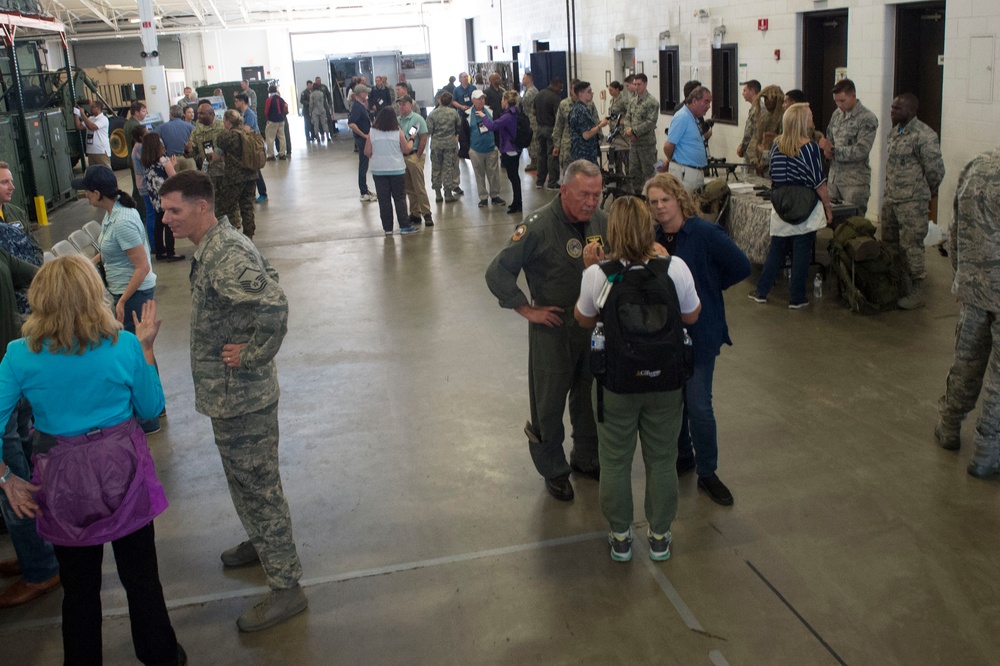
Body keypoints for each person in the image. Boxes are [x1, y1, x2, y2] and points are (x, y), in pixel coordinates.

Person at [0, 255, 185, 663]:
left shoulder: (18, 355)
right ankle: (161, 655)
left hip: (60, 476)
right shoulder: (124, 345)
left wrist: (6, 477)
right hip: (123, 469)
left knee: (79, 588)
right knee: (141, 578)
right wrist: (148, 350)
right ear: (93, 294)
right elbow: (151, 409)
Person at [159, 170, 307, 632]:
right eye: (164, 210)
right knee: (242, 482)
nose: (166, 219)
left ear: (202, 206)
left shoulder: (225, 252)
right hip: (227, 397)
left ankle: (287, 588)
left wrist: (253, 353)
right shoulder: (214, 247)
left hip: (244, 397)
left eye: (174, 210)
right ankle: (260, 543)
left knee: (260, 489)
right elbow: (269, 275)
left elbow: (275, 304)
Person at [574, 196, 701, 562]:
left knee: (614, 460)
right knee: (662, 460)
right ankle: (660, 536)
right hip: (666, 381)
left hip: (617, 382)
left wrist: (589, 268)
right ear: (649, 227)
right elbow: (692, 316)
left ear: (611, 230)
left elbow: (583, 319)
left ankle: (620, 536)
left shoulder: (599, 274)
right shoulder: (674, 268)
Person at [484, 160, 607, 501]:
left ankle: (586, 457)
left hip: (592, 325)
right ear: (564, 189)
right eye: (584, 194)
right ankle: (553, 468)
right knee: (548, 403)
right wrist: (526, 309)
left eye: (597, 195)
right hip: (553, 328)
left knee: (589, 397)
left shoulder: (601, 220)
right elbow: (498, 272)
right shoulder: (537, 227)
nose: (591, 202)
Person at [645, 173, 751, 505]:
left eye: (666, 199)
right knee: (674, 402)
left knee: (698, 405)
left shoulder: (705, 233)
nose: (661, 207)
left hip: (700, 333)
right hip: (666, 337)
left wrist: (709, 287)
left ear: (679, 198)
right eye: (653, 202)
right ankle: (683, 455)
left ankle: (708, 472)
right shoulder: (653, 237)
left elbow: (741, 266)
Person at [0, 203, 57, 609]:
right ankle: (33, 553)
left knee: (9, 480)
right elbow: (35, 276)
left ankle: (39, 566)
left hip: (5, 377)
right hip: (10, 371)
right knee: (18, 454)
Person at [77, 164, 161, 434]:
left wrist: (122, 301)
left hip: (133, 293)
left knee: (137, 351)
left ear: (97, 193)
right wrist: (88, 263)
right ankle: (155, 407)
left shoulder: (122, 221)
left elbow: (142, 266)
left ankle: (149, 419)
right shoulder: (115, 213)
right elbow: (110, 248)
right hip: (125, 290)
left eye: (87, 192)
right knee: (141, 349)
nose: (85, 196)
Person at [936, 146, 1000, 478]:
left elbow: (954, 228)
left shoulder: (977, 166)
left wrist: (960, 276)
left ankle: (948, 425)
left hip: (975, 286)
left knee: (967, 359)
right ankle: (988, 452)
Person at [749, 103, 833, 309]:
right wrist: (828, 207)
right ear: (803, 121)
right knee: (802, 251)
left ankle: (761, 291)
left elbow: (773, 174)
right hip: (804, 202)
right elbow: (818, 181)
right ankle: (797, 297)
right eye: (810, 116)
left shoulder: (777, 145)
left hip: (781, 202)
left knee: (777, 249)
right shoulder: (810, 148)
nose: (813, 119)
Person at [881, 93, 945, 310]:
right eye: (892, 107)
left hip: (912, 202)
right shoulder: (895, 132)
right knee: (890, 244)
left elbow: (936, 171)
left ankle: (917, 290)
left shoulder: (924, 135)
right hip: (891, 198)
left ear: (910, 110)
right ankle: (899, 285)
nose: (892, 111)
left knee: (911, 246)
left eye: (897, 108)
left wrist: (927, 192)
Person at [819, 78, 878, 216]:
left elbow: (861, 151)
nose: (839, 105)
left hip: (854, 182)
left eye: (843, 101)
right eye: (836, 101)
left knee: (853, 225)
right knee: (832, 221)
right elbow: (829, 138)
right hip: (834, 180)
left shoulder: (867, 118)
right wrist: (827, 152)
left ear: (853, 95)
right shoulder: (837, 115)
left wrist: (832, 150)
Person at [366, 108, 420, 236]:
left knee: (384, 200)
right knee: (400, 198)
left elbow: (367, 152)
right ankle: (404, 226)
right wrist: (412, 139)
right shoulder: (397, 131)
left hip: (379, 171)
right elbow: (406, 149)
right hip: (396, 169)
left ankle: (388, 229)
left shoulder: (372, 132)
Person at [141, 133, 185, 261]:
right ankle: (171, 252)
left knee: (158, 223)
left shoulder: (146, 161)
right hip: (166, 195)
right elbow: (173, 176)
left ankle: (160, 251)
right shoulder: (163, 160)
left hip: (154, 196)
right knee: (169, 223)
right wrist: (173, 165)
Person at [477, 90, 523, 214]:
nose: (501, 101)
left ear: (506, 101)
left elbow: (492, 126)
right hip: (515, 147)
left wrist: (483, 117)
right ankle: (517, 202)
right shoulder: (516, 112)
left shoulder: (508, 116)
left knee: (513, 177)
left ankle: (517, 203)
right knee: (514, 176)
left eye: (502, 100)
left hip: (510, 148)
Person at [216, 109, 258, 240]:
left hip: (234, 177)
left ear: (228, 122)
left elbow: (219, 143)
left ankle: (230, 236)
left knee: (226, 208)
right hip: (251, 175)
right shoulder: (248, 133)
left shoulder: (228, 136)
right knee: (247, 207)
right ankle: (249, 235)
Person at [663, 86, 712, 193]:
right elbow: (668, 146)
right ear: (694, 101)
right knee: (683, 206)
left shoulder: (693, 118)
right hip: (684, 173)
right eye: (706, 102)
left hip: (693, 172)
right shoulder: (682, 117)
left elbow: (691, 141)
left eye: (710, 103)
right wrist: (672, 160)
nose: (709, 106)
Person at [187, 99, 227, 219]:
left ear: (211, 114)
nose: (198, 116)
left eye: (202, 113)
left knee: (228, 203)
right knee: (212, 202)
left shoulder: (223, 127)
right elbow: (191, 153)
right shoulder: (197, 131)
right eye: (198, 113)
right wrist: (187, 150)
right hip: (209, 172)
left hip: (225, 171)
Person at [397, 95, 433, 226]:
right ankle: (415, 213)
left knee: (419, 186)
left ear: (410, 105)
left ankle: (427, 213)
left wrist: (418, 156)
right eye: (399, 104)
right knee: (409, 188)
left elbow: (423, 137)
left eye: (404, 104)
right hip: (402, 157)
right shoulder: (397, 121)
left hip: (414, 155)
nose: (401, 107)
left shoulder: (417, 119)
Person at [468, 90, 505, 208]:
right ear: (473, 100)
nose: (481, 101)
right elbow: (464, 132)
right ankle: (483, 197)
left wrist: (498, 145)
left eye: (483, 98)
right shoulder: (467, 115)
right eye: (478, 99)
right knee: (479, 175)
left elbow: (497, 127)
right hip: (476, 149)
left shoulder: (490, 111)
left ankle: (495, 195)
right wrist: (467, 149)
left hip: (491, 148)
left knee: (493, 173)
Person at [623, 73, 659, 194]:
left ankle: (650, 200)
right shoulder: (632, 101)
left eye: (639, 84)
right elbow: (627, 117)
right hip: (633, 145)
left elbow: (650, 123)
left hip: (646, 145)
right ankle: (638, 199)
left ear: (645, 84)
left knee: (648, 174)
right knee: (634, 173)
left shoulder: (652, 102)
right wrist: (628, 131)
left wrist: (633, 131)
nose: (636, 87)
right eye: (635, 84)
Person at [426, 91, 463, 203]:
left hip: (436, 145)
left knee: (436, 168)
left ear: (440, 100)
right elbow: (459, 125)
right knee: (448, 168)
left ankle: (438, 194)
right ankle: (448, 194)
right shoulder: (454, 113)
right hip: (450, 145)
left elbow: (429, 130)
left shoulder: (432, 114)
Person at [234, 93, 268, 204]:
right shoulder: (243, 114)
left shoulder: (249, 114)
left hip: (253, 147)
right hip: (247, 146)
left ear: (242, 102)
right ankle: (252, 193)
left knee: (255, 170)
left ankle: (263, 193)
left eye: (237, 101)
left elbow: (246, 130)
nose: (235, 103)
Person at [348, 84, 377, 203]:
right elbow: (351, 124)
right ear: (360, 94)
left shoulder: (360, 106)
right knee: (363, 165)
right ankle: (363, 192)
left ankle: (365, 189)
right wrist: (364, 135)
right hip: (362, 140)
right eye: (365, 93)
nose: (367, 95)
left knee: (364, 165)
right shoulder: (357, 107)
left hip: (365, 139)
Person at [534, 78, 564, 190]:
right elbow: (558, 116)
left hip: (539, 128)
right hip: (550, 129)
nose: (561, 90)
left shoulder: (539, 94)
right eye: (560, 88)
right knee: (552, 156)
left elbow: (534, 111)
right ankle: (552, 182)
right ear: (556, 85)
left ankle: (539, 182)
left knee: (541, 155)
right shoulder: (555, 98)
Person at [568, 81, 608, 164]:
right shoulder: (580, 110)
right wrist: (600, 125)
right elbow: (586, 135)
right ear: (581, 94)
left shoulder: (581, 108)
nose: (592, 93)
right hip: (584, 153)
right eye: (589, 91)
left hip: (584, 153)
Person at [74, 101, 111, 167]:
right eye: (90, 107)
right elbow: (79, 126)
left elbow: (92, 127)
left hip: (101, 151)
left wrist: (83, 114)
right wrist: (76, 114)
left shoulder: (103, 119)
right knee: (94, 172)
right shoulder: (90, 119)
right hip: (91, 151)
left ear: (98, 108)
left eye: (92, 107)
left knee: (105, 170)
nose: (90, 109)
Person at [736, 80, 761, 163]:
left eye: (744, 90)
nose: (742, 93)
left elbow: (751, 132)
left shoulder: (758, 109)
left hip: (753, 152)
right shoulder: (755, 107)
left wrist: (742, 147)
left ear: (752, 92)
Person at [452, 72, 475, 159]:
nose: (466, 78)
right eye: (464, 77)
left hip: (471, 113)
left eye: (467, 77)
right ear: (460, 79)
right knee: (462, 133)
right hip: (461, 114)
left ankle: (472, 149)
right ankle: (463, 151)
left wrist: (472, 106)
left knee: (471, 131)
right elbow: (454, 101)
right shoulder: (457, 90)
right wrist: (461, 106)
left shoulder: (473, 88)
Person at [519, 73, 539, 170]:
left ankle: (535, 162)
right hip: (528, 120)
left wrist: (516, 97)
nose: (522, 80)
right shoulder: (527, 90)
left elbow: (523, 102)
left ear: (529, 80)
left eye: (524, 78)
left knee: (533, 141)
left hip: (533, 121)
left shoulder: (532, 91)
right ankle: (534, 161)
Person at [264, 84, 289, 161]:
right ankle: (282, 154)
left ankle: (271, 155)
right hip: (281, 120)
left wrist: (268, 117)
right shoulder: (281, 99)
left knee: (270, 137)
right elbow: (285, 108)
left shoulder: (269, 99)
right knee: (282, 137)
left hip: (272, 120)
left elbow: (267, 111)